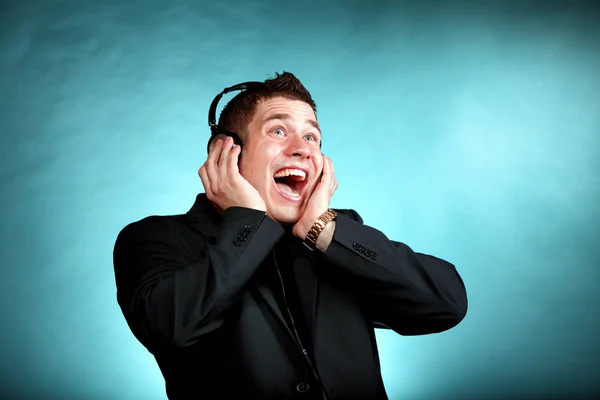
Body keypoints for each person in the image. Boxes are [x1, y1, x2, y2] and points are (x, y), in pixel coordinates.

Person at [112, 72, 468, 400]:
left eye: (312, 136)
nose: (303, 149)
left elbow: (444, 305)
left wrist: (325, 231)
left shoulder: (336, 239)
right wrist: (248, 220)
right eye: (278, 131)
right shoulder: (154, 238)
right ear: (225, 153)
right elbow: (170, 328)